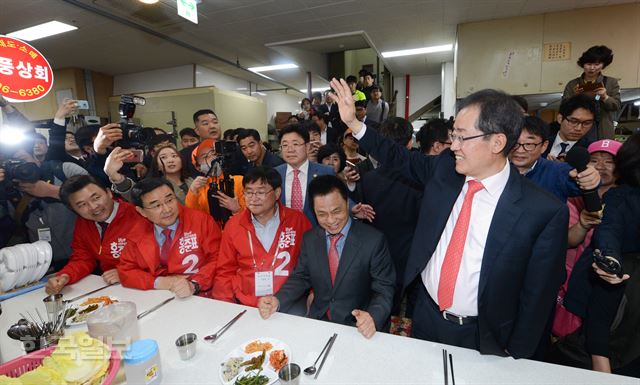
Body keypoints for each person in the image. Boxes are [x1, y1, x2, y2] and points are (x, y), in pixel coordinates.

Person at [329, 77, 569, 358]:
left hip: (485, 336)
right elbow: (400, 158)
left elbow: (538, 297)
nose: (453, 145)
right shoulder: (446, 171)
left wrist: (517, 353)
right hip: (426, 316)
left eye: (462, 137)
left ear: (497, 142)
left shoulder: (542, 211)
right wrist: (356, 125)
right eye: (453, 135)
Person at [258, 175, 395, 339]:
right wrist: (277, 300)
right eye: (321, 214)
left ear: (347, 203)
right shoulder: (310, 238)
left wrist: (373, 316)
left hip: (357, 326)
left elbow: (384, 288)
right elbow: (301, 277)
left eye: (336, 211)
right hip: (319, 321)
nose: (331, 221)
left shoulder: (373, 240)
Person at [213, 167, 311, 306]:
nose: (254, 199)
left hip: (289, 303)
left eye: (260, 192)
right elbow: (225, 271)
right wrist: (226, 306)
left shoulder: (298, 221)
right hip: (247, 303)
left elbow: (313, 265)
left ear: (277, 193)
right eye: (249, 192)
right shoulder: (234, 225)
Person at [118, 178, 221, 298]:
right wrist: (159, 282)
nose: (167, 209)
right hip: (158, 296)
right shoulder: (137, 231)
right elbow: (126, 270)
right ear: (141, 211)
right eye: (156, 205)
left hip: (202, 294)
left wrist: (195, 284)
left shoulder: (201, 221)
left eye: (170, 200)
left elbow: (217, 258)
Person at [45, 175, 140, 294]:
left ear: (109, 193)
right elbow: (83, 258)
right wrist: (65, 276)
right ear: (73, 210)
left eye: (96, 198)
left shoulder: (137, 215)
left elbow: (160, 257)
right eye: (82, 205)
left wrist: (128, 273)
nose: (93, 207)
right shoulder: (84, 222)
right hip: (114, 289)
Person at [509, 116, 600, 203]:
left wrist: (591, 177)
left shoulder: (558, 171)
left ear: (544, 146)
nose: (519, 150)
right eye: (514, 143)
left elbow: (580, 182)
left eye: (529, 144)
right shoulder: (498, 169)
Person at [562, 45, 620, 140]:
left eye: (597, 64)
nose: (592, 68)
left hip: (602, 129)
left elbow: (616, 106)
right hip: (578, 128)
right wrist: (576, 97)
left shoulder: (610, 82)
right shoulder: (573, 84)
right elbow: (563, 108)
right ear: (583, 64)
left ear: (603, 65)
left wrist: (605, 97)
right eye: (588, 64)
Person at [185, 138, 245, 226]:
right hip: (210, 233)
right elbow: (192, 217)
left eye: (214, 153)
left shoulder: (239, 181)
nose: (212, 158)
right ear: (198, 167)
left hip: (236, 230)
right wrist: (192, 191)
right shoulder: (198, 188)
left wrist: (237, 209)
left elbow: (251, 214)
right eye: (205, 157)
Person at [544, 94, 597, 160]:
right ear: (560, 118)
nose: (579, 128)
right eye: (573, 121)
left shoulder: (593, 150)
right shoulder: (540, 144)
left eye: (587, 123)